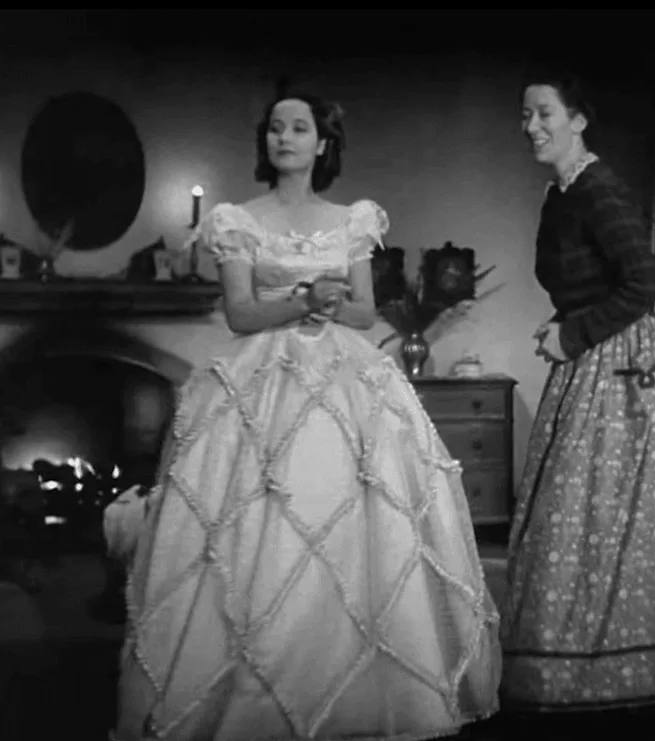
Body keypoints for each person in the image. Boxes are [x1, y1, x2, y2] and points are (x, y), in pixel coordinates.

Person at [114, 88, 501, 741]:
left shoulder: (352, 219)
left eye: (299, 128)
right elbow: (240, 312)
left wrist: (330, 302)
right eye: (275, 128)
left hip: (343, 373)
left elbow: (363, 310)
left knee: (355, 510)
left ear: (323, 144)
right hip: (262, 377)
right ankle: (248, 690)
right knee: (258, 524)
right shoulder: (237, 219)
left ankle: (361, 687)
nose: (284, 137)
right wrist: (302, 298)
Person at [499, 72, 655, 714]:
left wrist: (574, 336)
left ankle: (628, 666)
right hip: (597, 355)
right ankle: (577, 664)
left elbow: (643, 280)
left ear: (579, 119)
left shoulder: (597, 187)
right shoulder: (564, 192)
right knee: (577, 518)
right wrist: (568, 324)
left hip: (631, 369)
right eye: (525, 115)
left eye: (544, 113)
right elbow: (594, 282)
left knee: (610, 515)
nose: (532, 126)